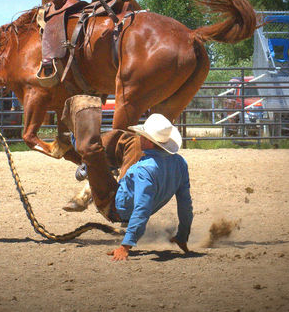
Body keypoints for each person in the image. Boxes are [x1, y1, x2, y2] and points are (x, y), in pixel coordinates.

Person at [61, 95, 193, 261]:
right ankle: (95, 162)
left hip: (113, 206)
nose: (141, 137)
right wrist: (183, 234)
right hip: (130, 195)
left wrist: (125, 245)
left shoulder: (143, 170)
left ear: (150, 141)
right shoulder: (180, 163)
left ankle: (78, 135)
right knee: (128, 140)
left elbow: (142, 208)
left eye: (144, 136)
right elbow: (185, 204)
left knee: (91, 152)